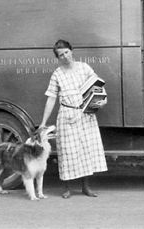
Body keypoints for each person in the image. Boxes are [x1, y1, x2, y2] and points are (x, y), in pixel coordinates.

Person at [40, 39, 108, 199]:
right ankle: (67, 188)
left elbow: (97, 87)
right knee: (68, 153)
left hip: (85, 115)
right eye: (60, 55)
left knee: (86, 151)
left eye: (66, 52)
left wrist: (101, 100)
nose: (64, 56)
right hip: (66, 116)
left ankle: (86, 187)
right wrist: (43, 122)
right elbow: (51, 98)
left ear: (71, 51)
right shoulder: (57, 74)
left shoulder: (84, 68)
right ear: (58, 58)